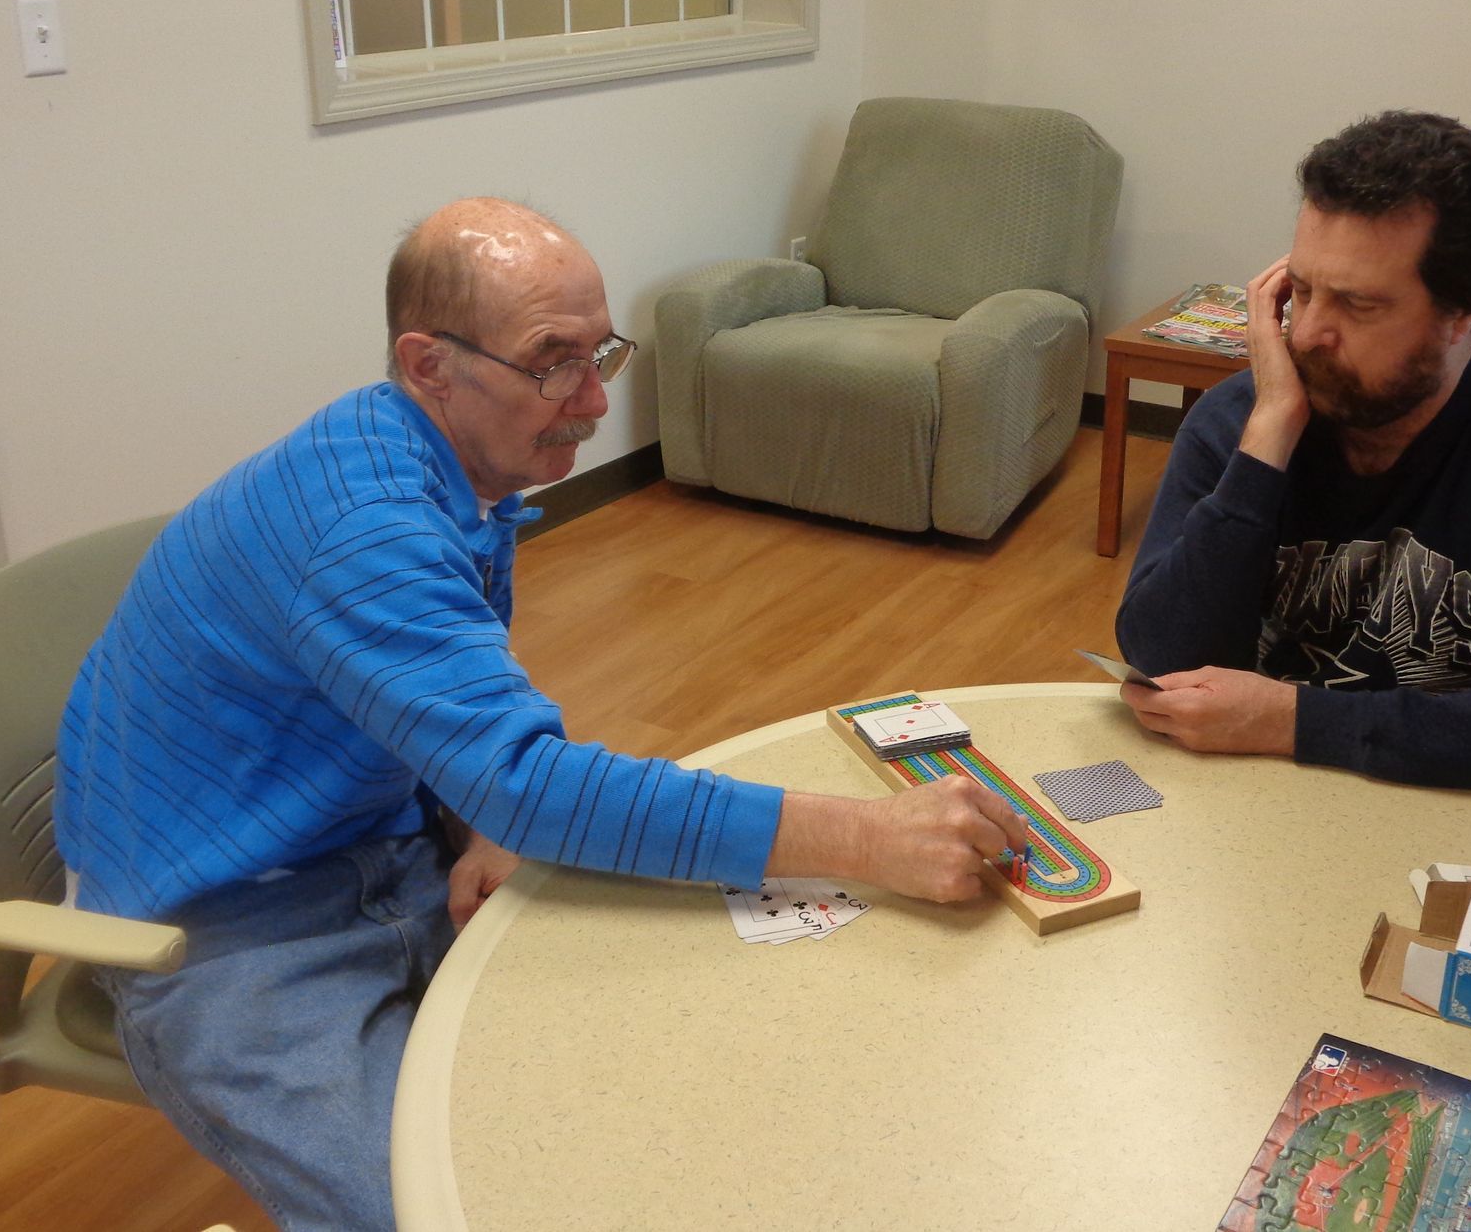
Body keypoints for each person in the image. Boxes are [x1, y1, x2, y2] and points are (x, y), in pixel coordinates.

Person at [53, 197, 1028, 1231]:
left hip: (384, 843)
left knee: (651, 1100)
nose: (595, 400)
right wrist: (866, 836)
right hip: (223, 932)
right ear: (429, 364)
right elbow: (531, 781)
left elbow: (456, 723)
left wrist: (473, 814)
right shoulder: (365, 528)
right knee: (441, 1208)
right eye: (552, 363)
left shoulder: (456, 466)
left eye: (598, 352)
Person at [1114, 112, 1471, 796]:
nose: (1307, 335)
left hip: (1452, 816)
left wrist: (1293, 720)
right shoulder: (1242, 419)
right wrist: (1267, 438)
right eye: (1301, 290)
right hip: (1248, 804)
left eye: (1356, 305)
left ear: (1466, 310)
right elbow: (1163, 664)